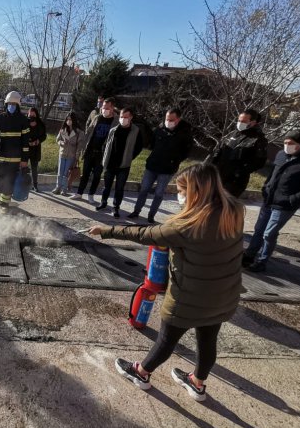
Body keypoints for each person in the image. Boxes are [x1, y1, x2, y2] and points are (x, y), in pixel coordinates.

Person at [88, 163, 244, 402]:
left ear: (196, 192)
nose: (179, 195)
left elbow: (143, 234)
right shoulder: (234, 210)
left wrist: (105, 230)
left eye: (182, 190)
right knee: (207, 341)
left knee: (166, 340)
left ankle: (141, 373)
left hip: (188, 298)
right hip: (224, 296)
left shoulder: (186, 226)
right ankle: (197, 384)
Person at [243, 129, 300, 272]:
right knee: (259, 229)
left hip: (285, 205)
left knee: (269, 233)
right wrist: (265, 187)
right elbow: (272, 173)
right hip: (269, 199)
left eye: (290, 143)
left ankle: (262, 261)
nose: (286, 145)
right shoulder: (281, 155)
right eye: (285, 142)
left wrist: (292, 199)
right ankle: (249, 254)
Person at [129, 108, 193, 223]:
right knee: (144, 189)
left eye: (171, 119)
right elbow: (152, 144)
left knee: (159, 193)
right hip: (152, 166)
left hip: (167, 169)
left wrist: (174, 160)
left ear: (178, 119)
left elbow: (186, 152)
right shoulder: (160, 129)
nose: (168, 121)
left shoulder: (185, 133)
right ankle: (136, 211)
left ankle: (151, 215)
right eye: (166, 119)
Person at [0, 91, 30, 209]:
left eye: (14, 104)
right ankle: (4, 200)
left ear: (18, 106)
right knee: (1, 181)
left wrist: (24, 159)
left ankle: (4, 204)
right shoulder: (0, 118)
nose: (11, 106)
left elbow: (26, 143)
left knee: (8, 182)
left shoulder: (23, 120)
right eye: (9, 103)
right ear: (6, 104)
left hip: (15, 159)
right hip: (1, 157)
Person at [69, 97, 119, 203]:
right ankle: (79, 193)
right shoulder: (97, 117)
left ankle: (91, 195)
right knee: (85, 174)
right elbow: (89, 132)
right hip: (90, 150)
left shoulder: (116, 121)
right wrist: (84, 147)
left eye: (106, 107)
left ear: (112, 108)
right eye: (103, 107)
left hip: (102, 154)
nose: (103, 109)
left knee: (96, 175)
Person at [97, 107, 143, 218]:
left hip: (123, 165)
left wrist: (130, 157)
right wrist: (105, 157)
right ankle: (103, 202)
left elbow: (139, 147)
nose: (123, 119)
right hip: (110, 164)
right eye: (122, 117)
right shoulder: (114, 130)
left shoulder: (136, 131)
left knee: (119, 188)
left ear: (131, 117)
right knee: (106, 186)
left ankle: (116, 208)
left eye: (126, 117)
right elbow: (106, 144)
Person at [211, 109, 268, 198]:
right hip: (218, 176)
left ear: (253, 122)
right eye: (239, 121)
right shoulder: (233, 134)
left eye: (244, 121)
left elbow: (259, 162)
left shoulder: (258, 139)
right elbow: (220, 151)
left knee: (223, 206)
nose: (240, 123)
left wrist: (239, 172)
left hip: (234, 182)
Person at [52, 113, 83, 195]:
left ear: (74, 120)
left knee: (66, 173)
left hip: (71, 155)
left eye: (70, 119)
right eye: (67, 119)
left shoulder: (78, 132)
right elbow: (57, 139)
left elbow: (79, 145)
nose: (68, 121)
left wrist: (77, 157)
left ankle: (64, 189)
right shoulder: (63, 130)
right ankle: (58, 187)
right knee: (60, 172)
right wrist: (61, 142)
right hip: (62, 153)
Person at [27, 107, 47, 191]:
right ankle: (21, 183)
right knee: (22, 166)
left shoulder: (40, 124)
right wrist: (27, 142)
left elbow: (44, 136)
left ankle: (35, 185)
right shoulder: (25, 122)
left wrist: (37, 141)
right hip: (25, 148)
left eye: (33, 115)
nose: (31, 116)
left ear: (36, 115)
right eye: (30, 115)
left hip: (35, 149)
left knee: (34, 168)